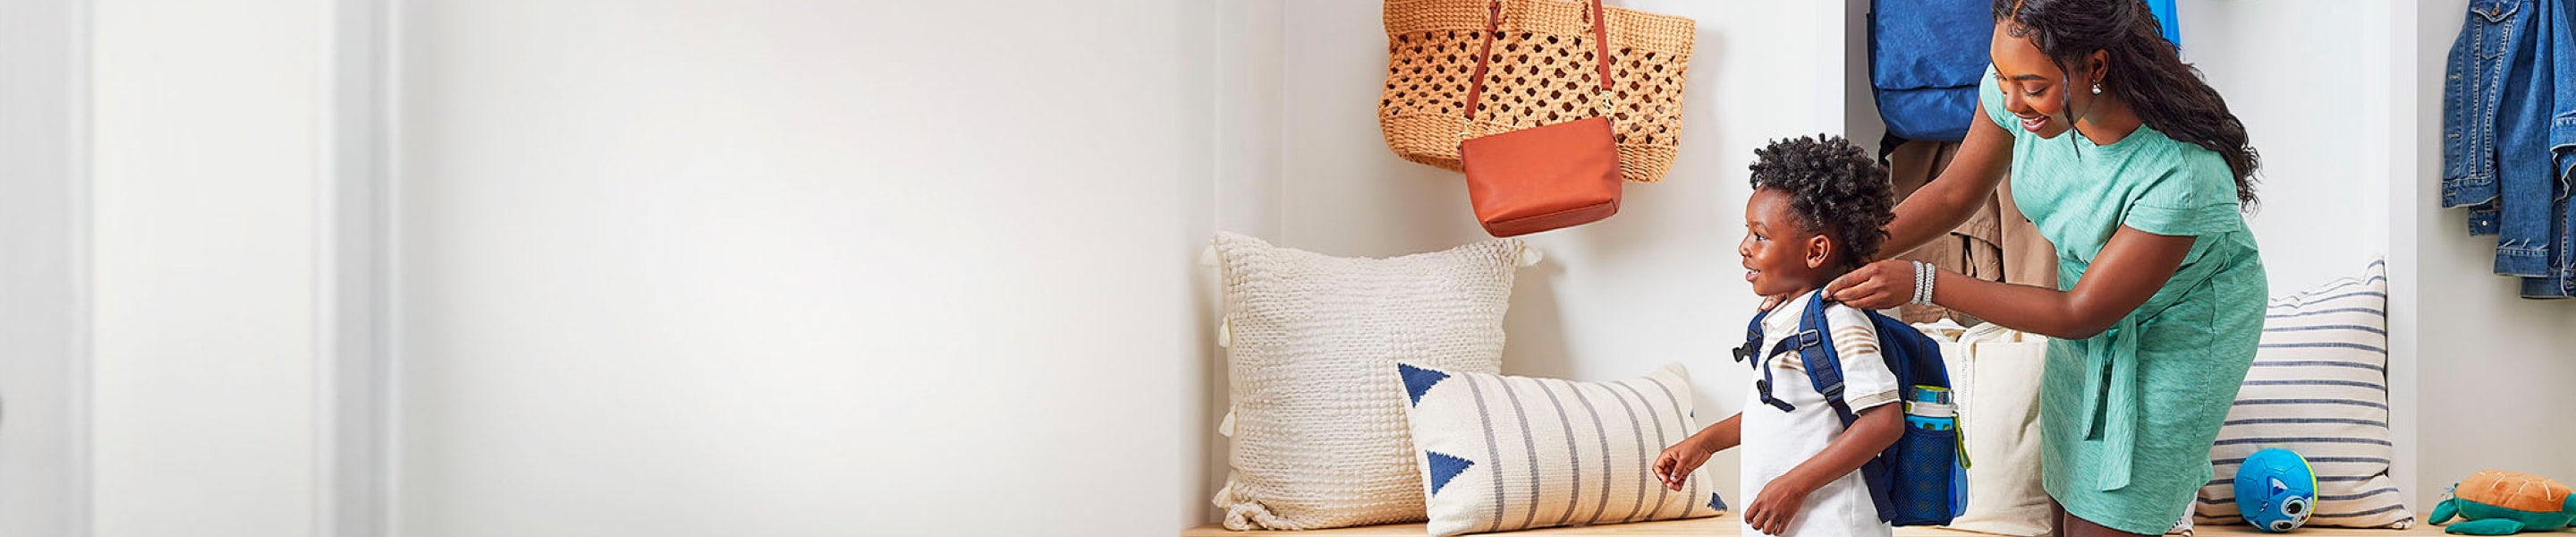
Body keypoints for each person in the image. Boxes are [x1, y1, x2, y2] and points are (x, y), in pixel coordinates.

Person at [1821, 0, 2268, 534]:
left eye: (2032, 87)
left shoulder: (2182, 173)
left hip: (2180, 326)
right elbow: (1953, 193)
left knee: (2112, 517)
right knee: (2065, 506)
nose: (2012, 102)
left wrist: (1923, 280)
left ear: (2096, 67)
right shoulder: (2018, 81)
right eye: (2002, 77)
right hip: (2086, 298)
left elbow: (2081, 313)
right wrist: (1847, 253)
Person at [1654, 135, 1904, 537]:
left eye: (1760, 235)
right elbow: (1782, 411)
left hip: (1834, 525)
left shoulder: (1842, 322)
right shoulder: (1783, 317)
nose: (1744, 247)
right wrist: (1705, 443)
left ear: (1815, 251)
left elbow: (1883, 421)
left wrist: (1794, 485)